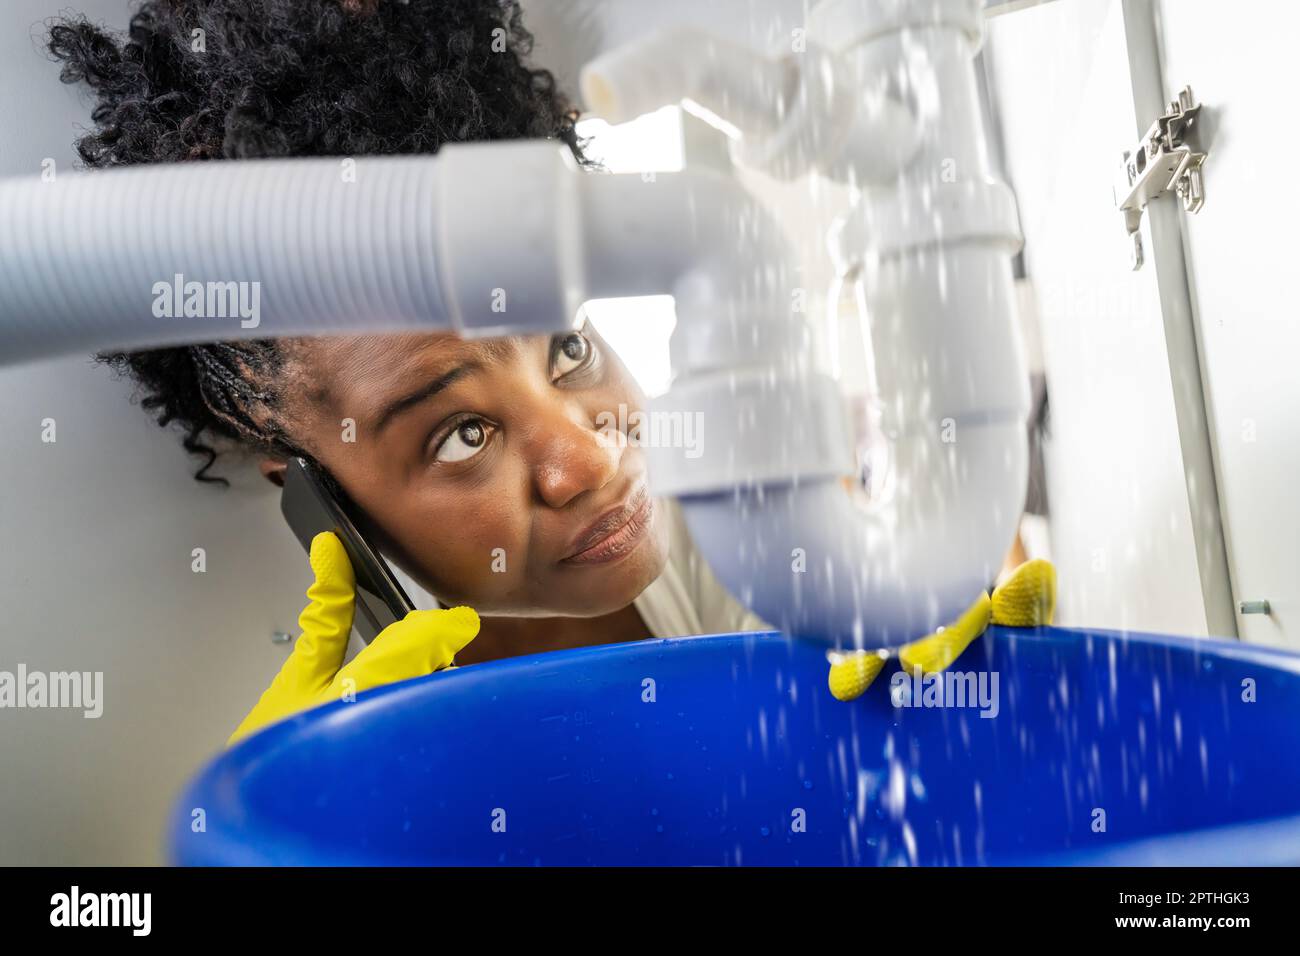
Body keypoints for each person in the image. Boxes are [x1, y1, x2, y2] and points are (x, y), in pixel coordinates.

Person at [47, 0, 767, 742]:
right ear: (306, 481)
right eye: (463, 434)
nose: (589, 458)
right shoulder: (338, 721)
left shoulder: (737, 528)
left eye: (569, 348)